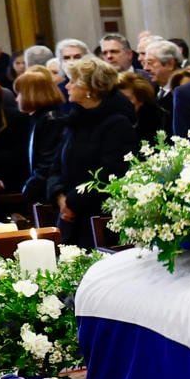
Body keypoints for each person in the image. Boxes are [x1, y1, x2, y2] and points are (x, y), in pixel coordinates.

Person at [49, 55, 140, 248]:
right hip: (70, 216)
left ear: (90, 89)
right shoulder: (75, 120)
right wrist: (59, 196)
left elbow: (112, 173)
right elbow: (57, 164)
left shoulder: (117, 124)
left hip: (99, 218)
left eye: (72, 81)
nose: (67, 86)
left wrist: (72, 201)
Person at [13, 68, 64, 202]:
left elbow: (47, 162)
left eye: (19, 93)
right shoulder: (38, 118)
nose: (16, 99)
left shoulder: (50, 120)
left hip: (47, 194)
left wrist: (29, 189)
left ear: (31, 94)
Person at [116, 72, 167, 141]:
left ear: (141, 100)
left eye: (126, 98)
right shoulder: (110, 119)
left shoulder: (161, 120)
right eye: (117, 98)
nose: (120, 102)